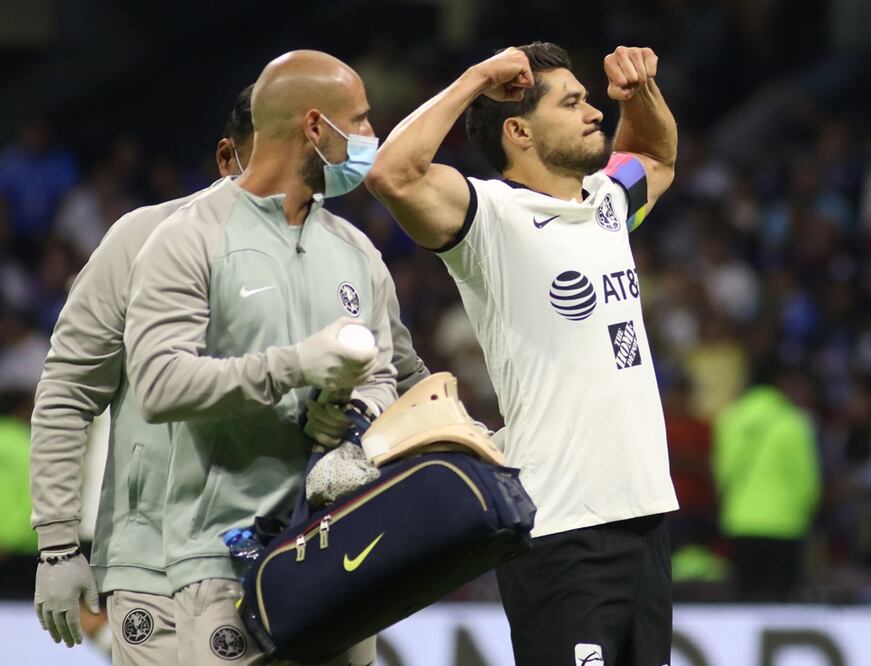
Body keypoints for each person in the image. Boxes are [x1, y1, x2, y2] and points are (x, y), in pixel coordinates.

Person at [366, 42, 679, 665]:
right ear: (519, 130)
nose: (593, 112)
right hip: (563, 530)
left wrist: (637, 92)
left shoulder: (608, 204)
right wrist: (478, 78)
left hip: (646, 519)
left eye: (589, 99)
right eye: (573, 102)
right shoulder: (490, 217)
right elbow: (390, 173)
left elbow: (653, 154)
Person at [122, 50, 403, 666]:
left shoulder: (358, 250)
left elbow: (384, 372)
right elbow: (160, 383)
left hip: (341, 551)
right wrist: (297, 367)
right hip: (224, 557)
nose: (370, 138)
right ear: (313, 127)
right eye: (358, 122)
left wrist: (354, 413)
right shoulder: (189, 237)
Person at [31, 85, 256, 658]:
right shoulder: (140, 238)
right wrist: (58, 546)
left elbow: (400, 377)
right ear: (227, 156)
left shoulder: (345, 249)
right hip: (161, 565)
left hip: (316, 559)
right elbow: (67, 389)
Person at [711, 364, 821, 601]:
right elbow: (806, 480)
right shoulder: (794, 422)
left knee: (745, 601)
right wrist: (807, 510)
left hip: (741, 521)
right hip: (786, 524)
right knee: (780, 604)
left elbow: (723, 471)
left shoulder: (729, 420)